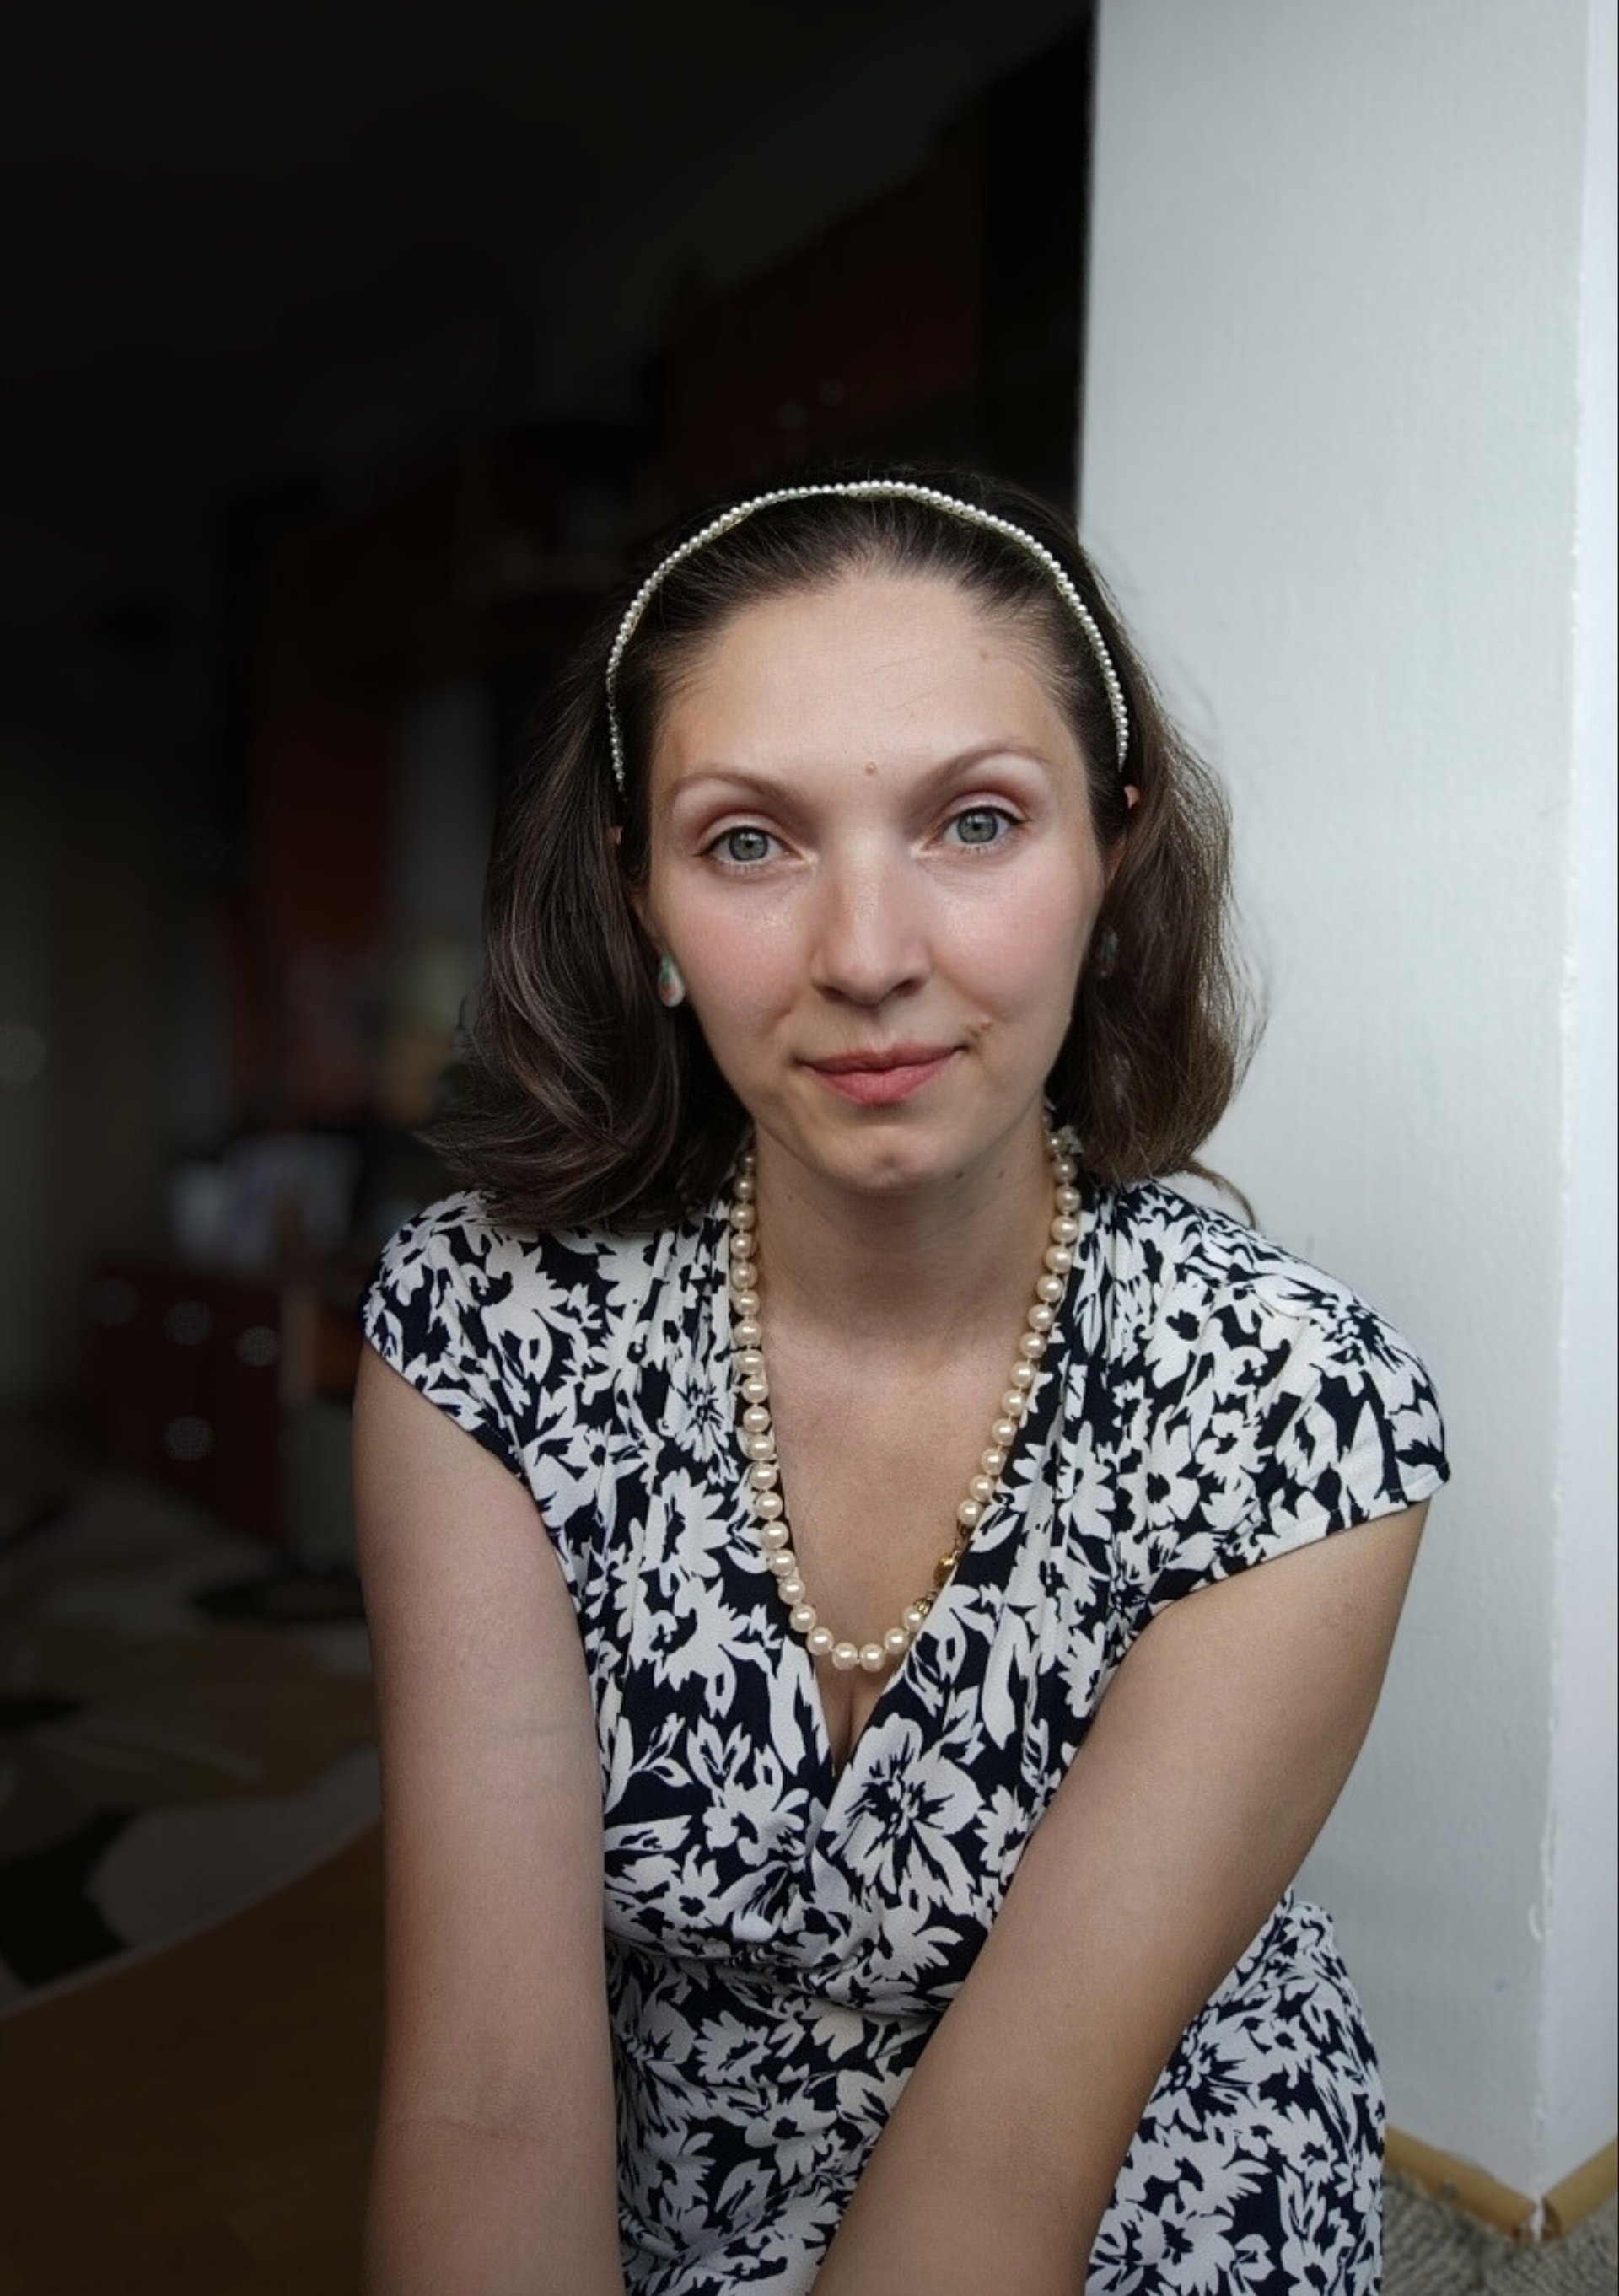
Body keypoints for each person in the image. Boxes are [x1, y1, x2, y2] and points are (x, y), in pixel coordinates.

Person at [352, 468, 1450, 2296]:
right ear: (640, 901)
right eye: (750, 844)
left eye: (976, 822)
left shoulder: (1301, 1415)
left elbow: (1017, 2155)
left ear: (1113, 843)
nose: (867, 958)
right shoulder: (484, 1329)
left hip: (1127, 2160)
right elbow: (484, 2099)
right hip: (671, 2160)